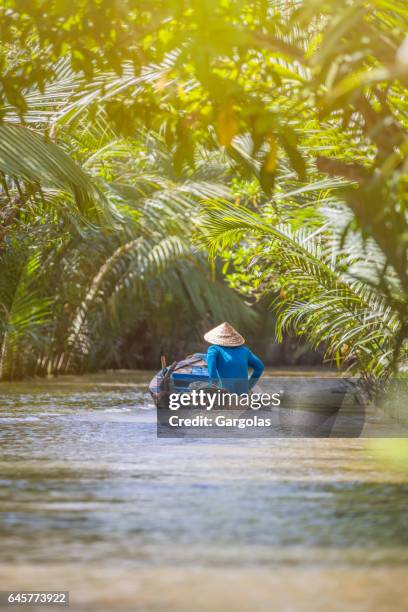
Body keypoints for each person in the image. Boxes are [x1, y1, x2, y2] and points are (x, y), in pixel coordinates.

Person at [204, 322, 264, 395]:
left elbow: (212, 372)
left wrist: (214, 388)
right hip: (243, 394)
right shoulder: (245, 351)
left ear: (216, 338)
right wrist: (249, 386)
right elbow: (260, 367)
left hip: (224, 393)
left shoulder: (214, 349)